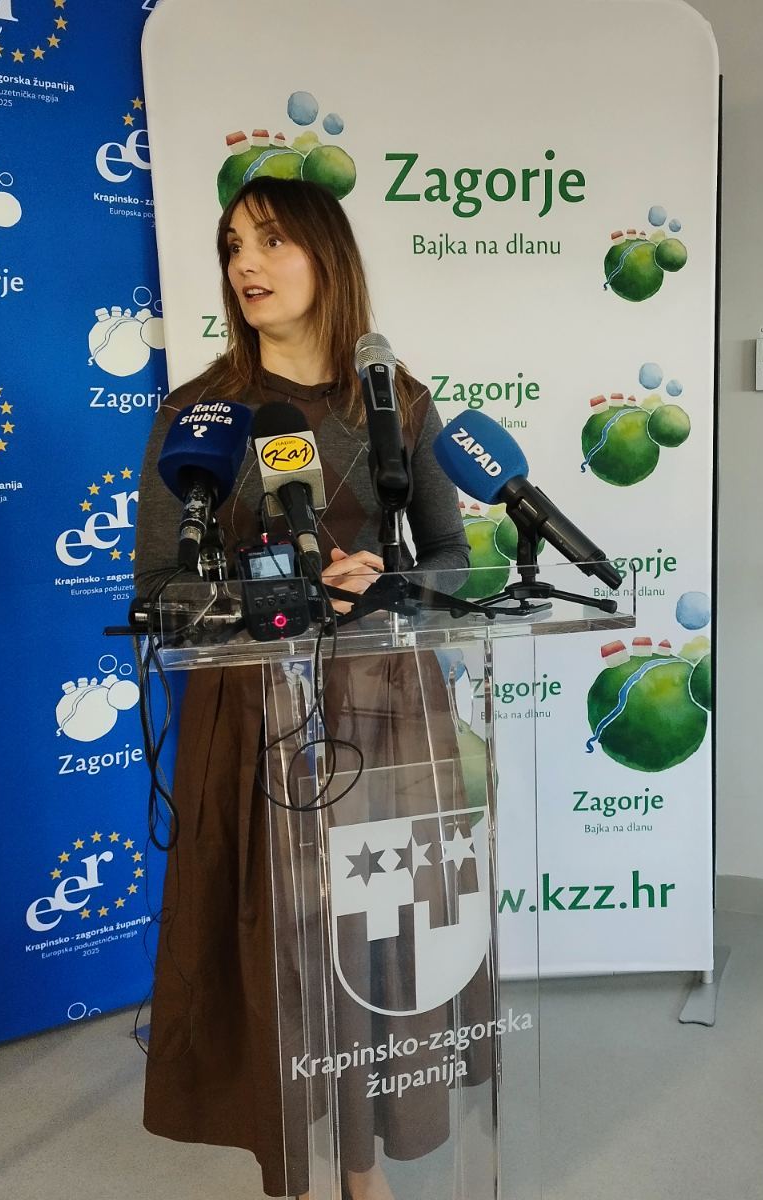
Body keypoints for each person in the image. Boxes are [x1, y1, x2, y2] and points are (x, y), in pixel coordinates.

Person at [132, 177, 496, 1200]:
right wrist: (272, 599)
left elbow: (453, 558)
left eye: (271, 241)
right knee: (283, 938)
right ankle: (290, 1159)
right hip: (254, 710)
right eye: (232, 245)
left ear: (327, 256)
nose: (245, 264)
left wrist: (387, 582)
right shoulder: (199, 411)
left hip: (388, 701)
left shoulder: (396, 400)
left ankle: (364, 1165)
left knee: (378, 933)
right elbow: (157, 587)